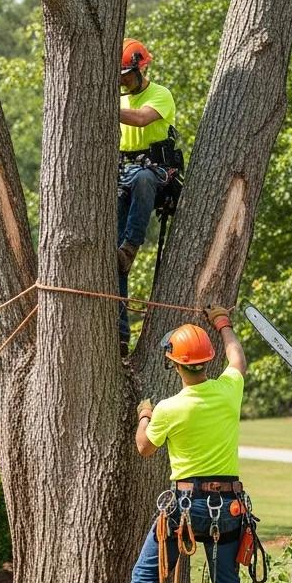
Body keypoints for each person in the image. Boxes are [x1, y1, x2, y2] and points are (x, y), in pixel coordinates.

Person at [100, 304, 251, 583]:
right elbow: (237, 358)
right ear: (206, 363)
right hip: (228, 507)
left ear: (175, 365)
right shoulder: (229, 390)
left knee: (144, 578)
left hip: (185, 508)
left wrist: (145, 415)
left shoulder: (169, 409)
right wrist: (223, 322)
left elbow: (144, 448)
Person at [117, 38, 179, 353]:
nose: (123, 80)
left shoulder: (159, 94)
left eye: (127, 74)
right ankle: (120, 334)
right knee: (112, 262)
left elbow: (142, 119)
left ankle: (131, 245)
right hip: (121, 172)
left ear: (141, 67)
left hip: (155, 171)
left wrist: (105, 105)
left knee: (142, 178)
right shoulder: (119, 99)